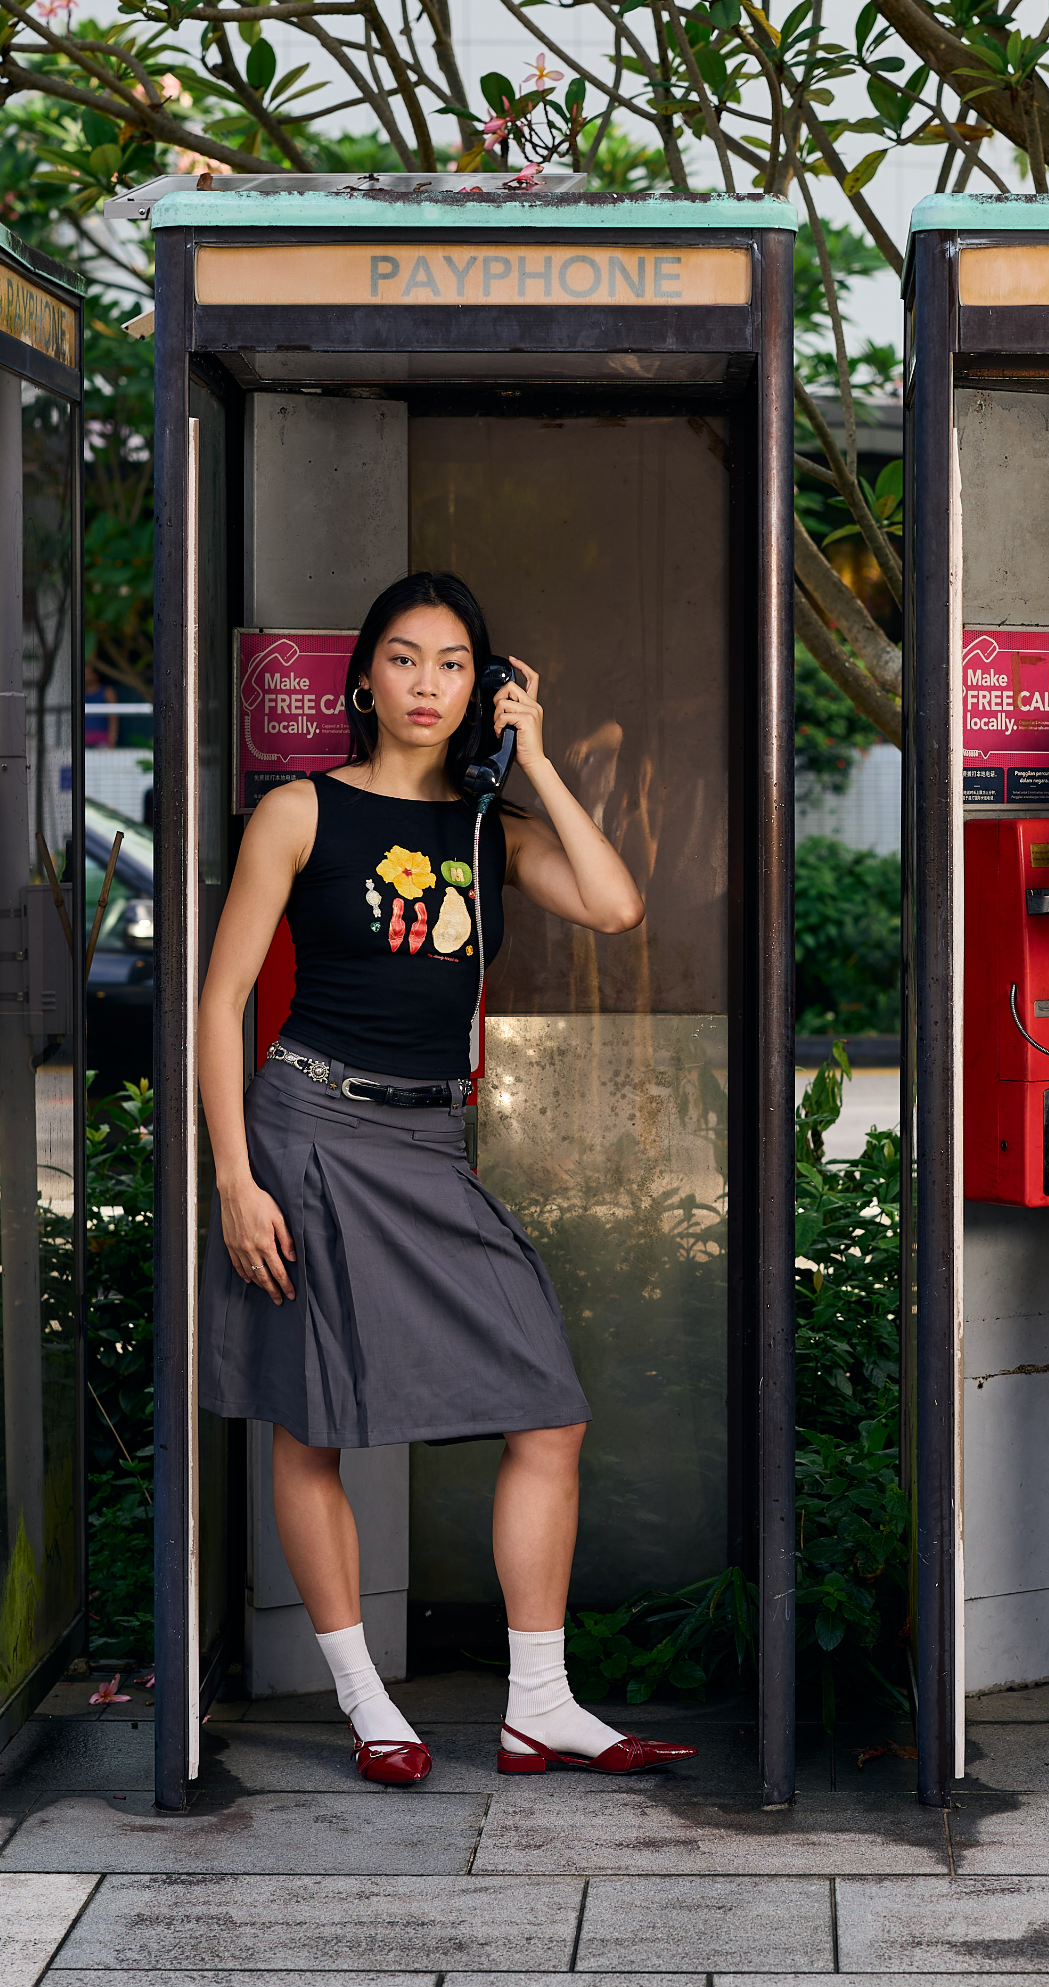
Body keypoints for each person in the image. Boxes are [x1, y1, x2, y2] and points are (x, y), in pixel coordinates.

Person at [197, 571, 695, 1786]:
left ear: (485, 686)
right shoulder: (299, 813)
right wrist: (233, 1177)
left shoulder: (488, 827)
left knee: (549, 1411)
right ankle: (369, 1704)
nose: (428, 684)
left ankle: (540, 1704)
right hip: (306, 1132)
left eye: (455, 664)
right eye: (406, 659)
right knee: (312, 1425)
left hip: (430, 1146)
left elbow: (619, 906)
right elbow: (216, 1005)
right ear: (363, 677)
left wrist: (536, 761)